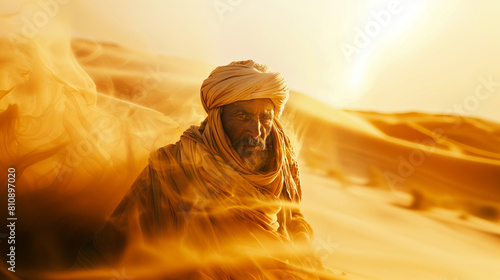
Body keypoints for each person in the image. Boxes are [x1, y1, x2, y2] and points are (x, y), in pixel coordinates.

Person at [74, 60, 323, 279]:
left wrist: (301, 254)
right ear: (217, 118)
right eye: (242, 117)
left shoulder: (279, 163)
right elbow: (105, 250)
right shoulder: (172, 167)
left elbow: (293, 220)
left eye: (265, 118)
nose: (257, 131)